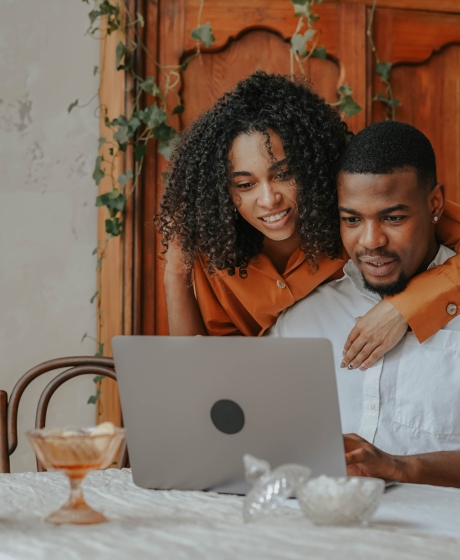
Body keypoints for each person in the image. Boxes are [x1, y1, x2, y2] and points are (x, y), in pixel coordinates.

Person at [157, 71, 460, 371]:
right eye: (245, 184)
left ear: (311, 166)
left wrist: (404, 308)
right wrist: (174, 269)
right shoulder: (216, 248)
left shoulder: (357, 219)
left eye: (284, 174)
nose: (268, 199)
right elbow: (201, 370)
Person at [266, 121, 460, 487]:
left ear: (435, 203)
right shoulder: (300, 319)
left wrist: (402, 468)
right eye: (352, 219)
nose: (370, 241)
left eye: (393, 217)